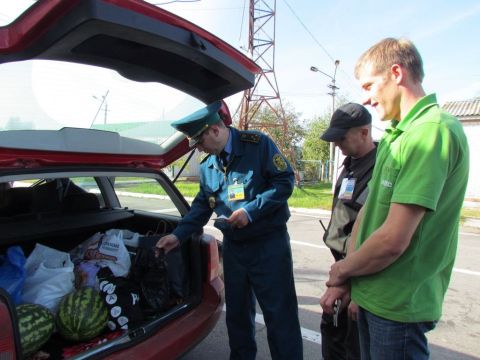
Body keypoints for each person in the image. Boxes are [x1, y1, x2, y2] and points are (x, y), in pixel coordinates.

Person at [320, 37, 469, 359]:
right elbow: (366, 215)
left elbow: (393, 239)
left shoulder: (431, 132)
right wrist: (350, 279)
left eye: (370, 85)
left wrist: (343, 272)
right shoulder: (396, 137)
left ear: (397, 73)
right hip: (374, 294)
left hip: (399, 303)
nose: (367, 99)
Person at [156, 101, 303, 360]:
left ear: (214, 130)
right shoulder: (208, 167)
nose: (199, 149)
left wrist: (250, 212)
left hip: (268, 246)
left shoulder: (257, 145)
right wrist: (176, 236)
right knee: (237, 317)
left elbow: (284, 181)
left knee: (280, 317)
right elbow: (201, 207)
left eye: (199, 142)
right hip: (235, 249)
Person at [319, 103, 376, 360]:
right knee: (333, 335)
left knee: (353, 347)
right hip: (342, 267)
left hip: (359, 273)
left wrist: (355, 288)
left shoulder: (381, 167)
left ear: (364, 133)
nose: (337, 144)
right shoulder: (350, 163)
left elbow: (374, 233)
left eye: (342, 138)